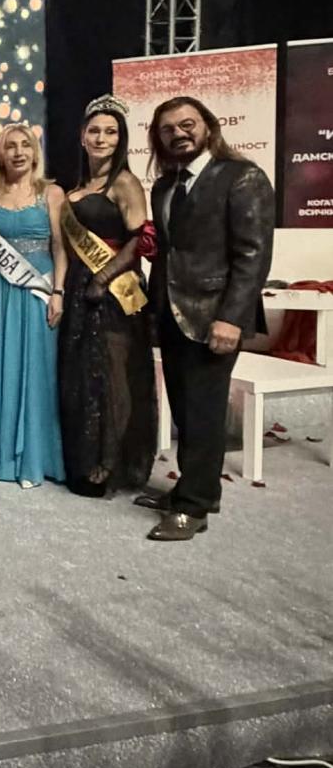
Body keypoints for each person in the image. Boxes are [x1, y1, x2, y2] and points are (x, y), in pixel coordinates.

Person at [140, 96, 274, 541]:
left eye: (187, 124)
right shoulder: (164, 186)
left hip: (216, 317)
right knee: (185, 408)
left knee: (204, 412)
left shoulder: (243, 177)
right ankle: (193, 489)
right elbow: (169, 254)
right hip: (173, 315)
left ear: (208, 127)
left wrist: (232, 318)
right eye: (167, 129)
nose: (178, 134)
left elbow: (253, 256)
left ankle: (193, 507)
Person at [58, 95, 159, 501]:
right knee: (85, 375)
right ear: (82, 137)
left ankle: (110, 464)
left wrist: (103, 277)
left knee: (115, 375)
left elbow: (139, 240)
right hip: (79, 289)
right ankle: (84, 459)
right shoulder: (78, 188)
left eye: (111, 132)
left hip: (114, 291)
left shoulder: (124, 183)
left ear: (121, 139)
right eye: (95, 131)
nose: (102, 138)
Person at [0, 123, 67, 488]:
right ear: (0, 155)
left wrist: (58, 291)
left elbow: (60, 247)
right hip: (3, 293)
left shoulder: (51, 193)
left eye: (25, 145)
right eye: (10, 146)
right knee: (4, 370)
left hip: (38, 292)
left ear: (35, 152)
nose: (18, 152)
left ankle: (36, 457)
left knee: (38, 372)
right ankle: (1, 455)